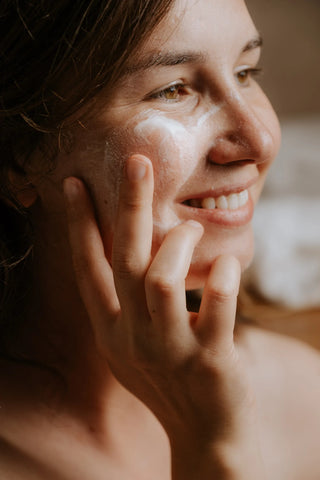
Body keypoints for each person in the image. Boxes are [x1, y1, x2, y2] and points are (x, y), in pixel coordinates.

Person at [1, 0, 320, 479]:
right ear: (19, 158)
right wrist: (210, 449)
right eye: (172, 90)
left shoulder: (303, 395)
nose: (260, 142)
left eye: (246, 72)